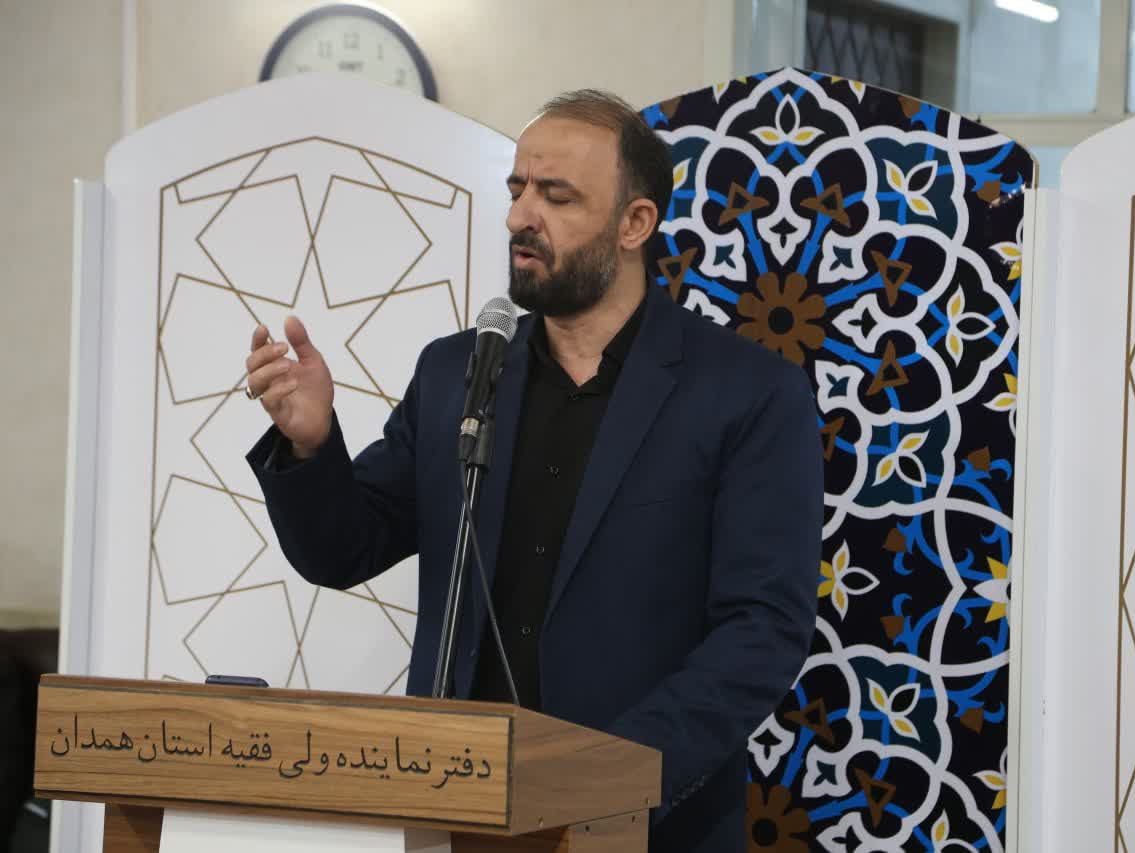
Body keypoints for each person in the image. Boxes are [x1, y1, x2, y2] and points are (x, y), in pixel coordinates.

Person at [244, 89, 821, 852]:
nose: (521, 216)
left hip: (642, 827)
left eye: (557, 195)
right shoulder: (456, 374)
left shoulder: (745, 393)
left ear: (635, 224)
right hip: (454, 815)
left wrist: (606, 781)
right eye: (518, 189)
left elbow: (761, 631)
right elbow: (342, 548)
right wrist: (312, 444)